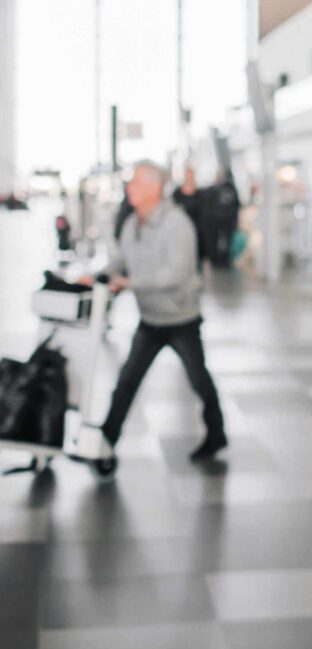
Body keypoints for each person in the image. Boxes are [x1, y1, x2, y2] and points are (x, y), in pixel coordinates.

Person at [79, 160, 227, 463]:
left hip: (180, 319)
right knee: (127, 380)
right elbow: (121, 259)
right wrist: (97, 277)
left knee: (198, 379)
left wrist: (130, 283)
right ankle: (105, 442)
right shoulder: (134, 222)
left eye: (135, 183)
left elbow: (175, 274)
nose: (129, 188)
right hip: (150, 319)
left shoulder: (178, 224)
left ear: (154, 188)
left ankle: (216, 433)